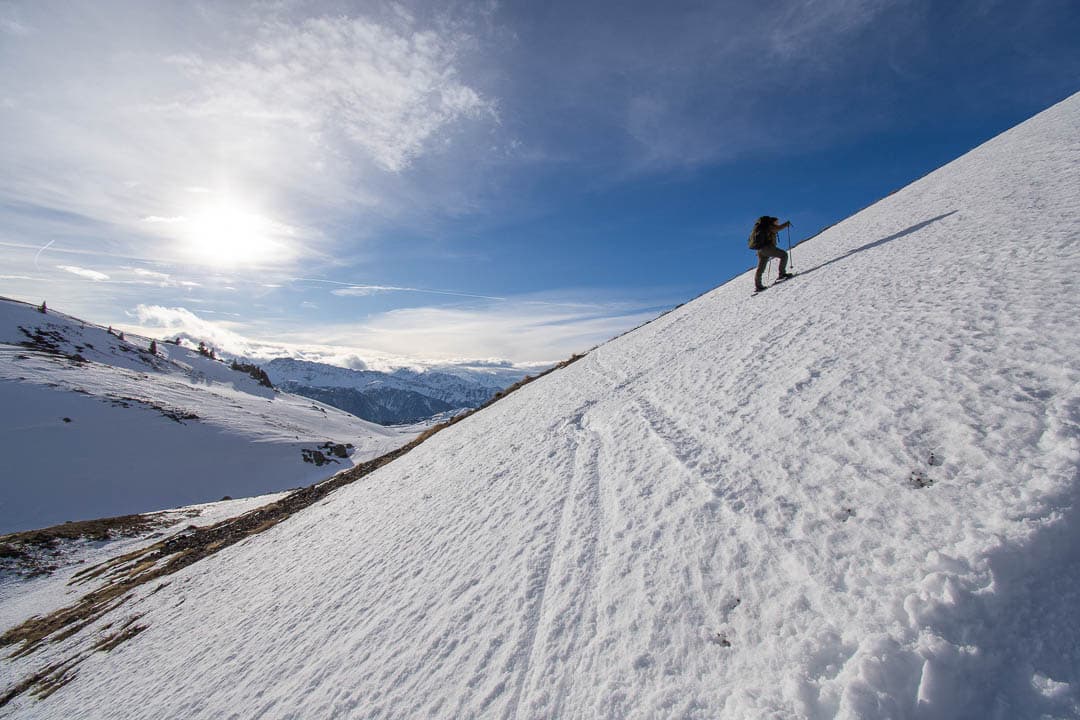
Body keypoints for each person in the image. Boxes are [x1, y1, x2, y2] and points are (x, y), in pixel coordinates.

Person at [749, 215, 793, 292]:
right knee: (784, 255)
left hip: (760, 250)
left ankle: (758, 286)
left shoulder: (763, 228)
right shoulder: (770, 227)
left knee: (761, 268)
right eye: (777, 222)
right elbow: (778, 228)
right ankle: (782, 274)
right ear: (773, 222)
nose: (778, 223)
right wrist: (786, 224)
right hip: (767, 248)